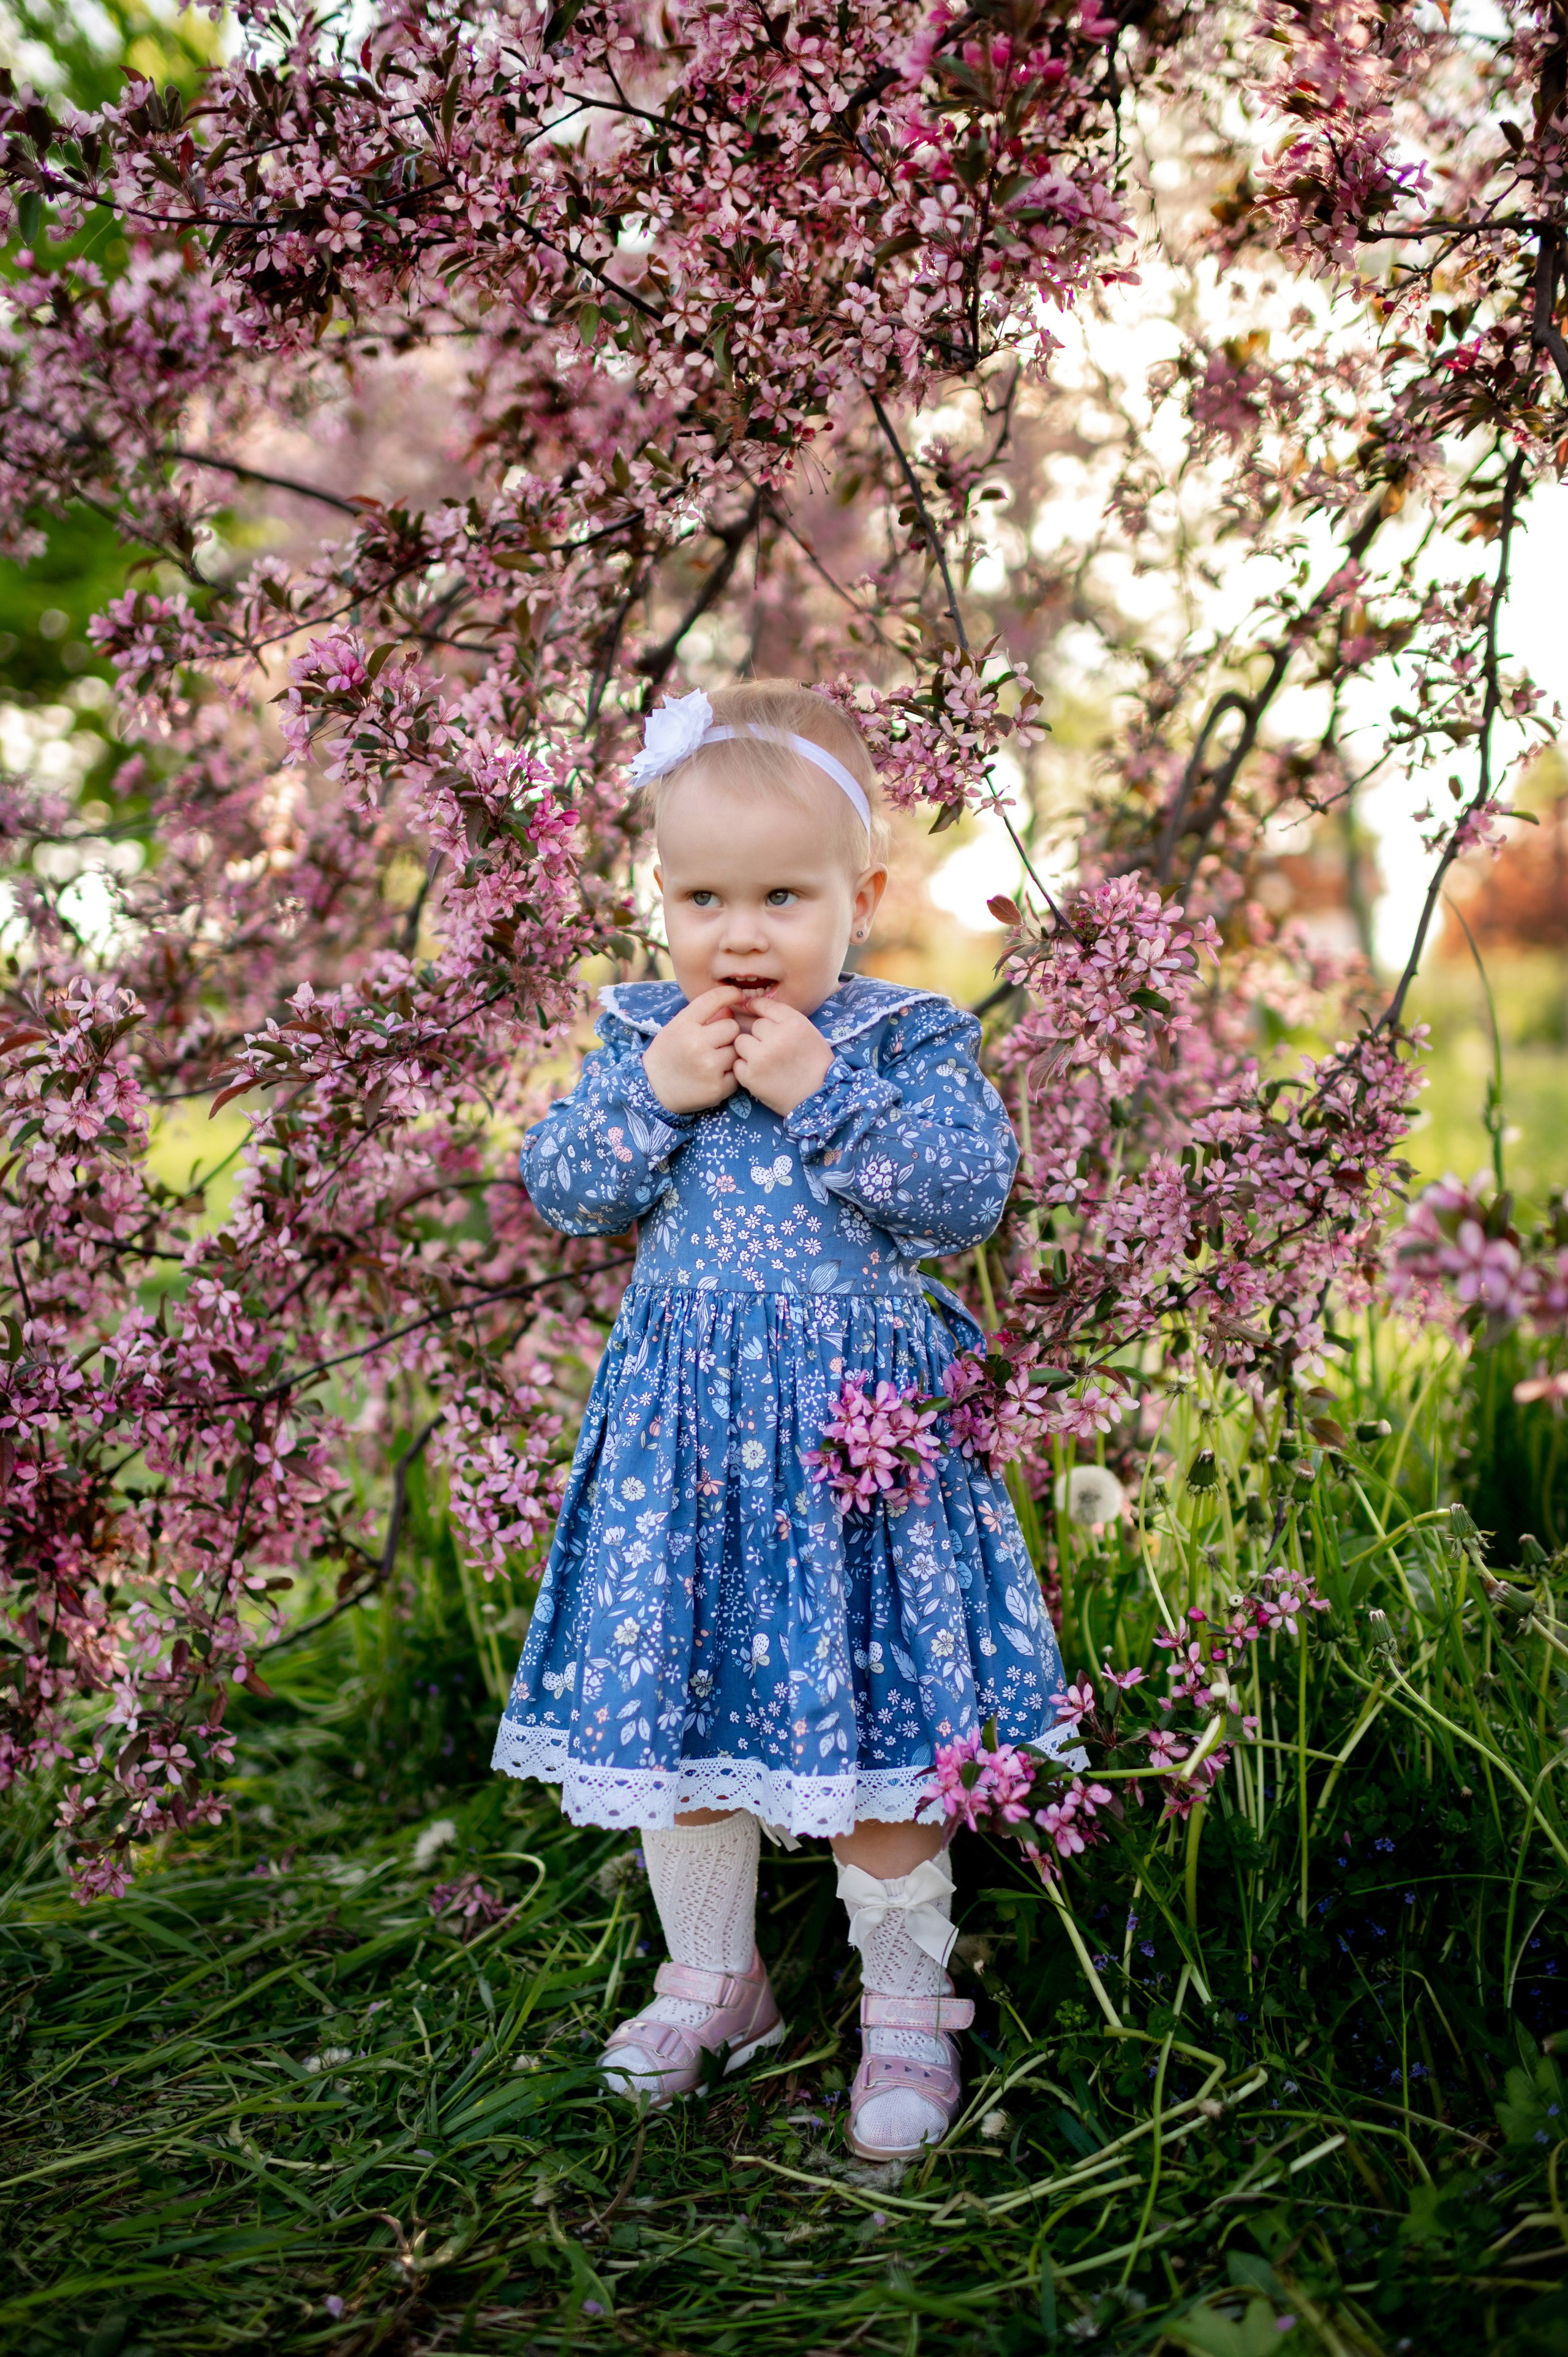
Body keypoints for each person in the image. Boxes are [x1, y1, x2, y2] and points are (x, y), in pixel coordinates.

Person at [491, 680, 1068, 2160]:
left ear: (859, 897)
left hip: (853, 1456)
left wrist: (822, 1095)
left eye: (780, 896)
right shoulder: (645, 1039)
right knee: (674, 1725)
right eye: (702, 896)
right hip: (686, 1457)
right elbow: (564, 1188)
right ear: (659, 899)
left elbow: (960, 1197)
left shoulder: (897, 1046)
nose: (738, 935)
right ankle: (714, 1978)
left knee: (882, 1723)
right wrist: (655, 1101)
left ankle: (899, 1999)